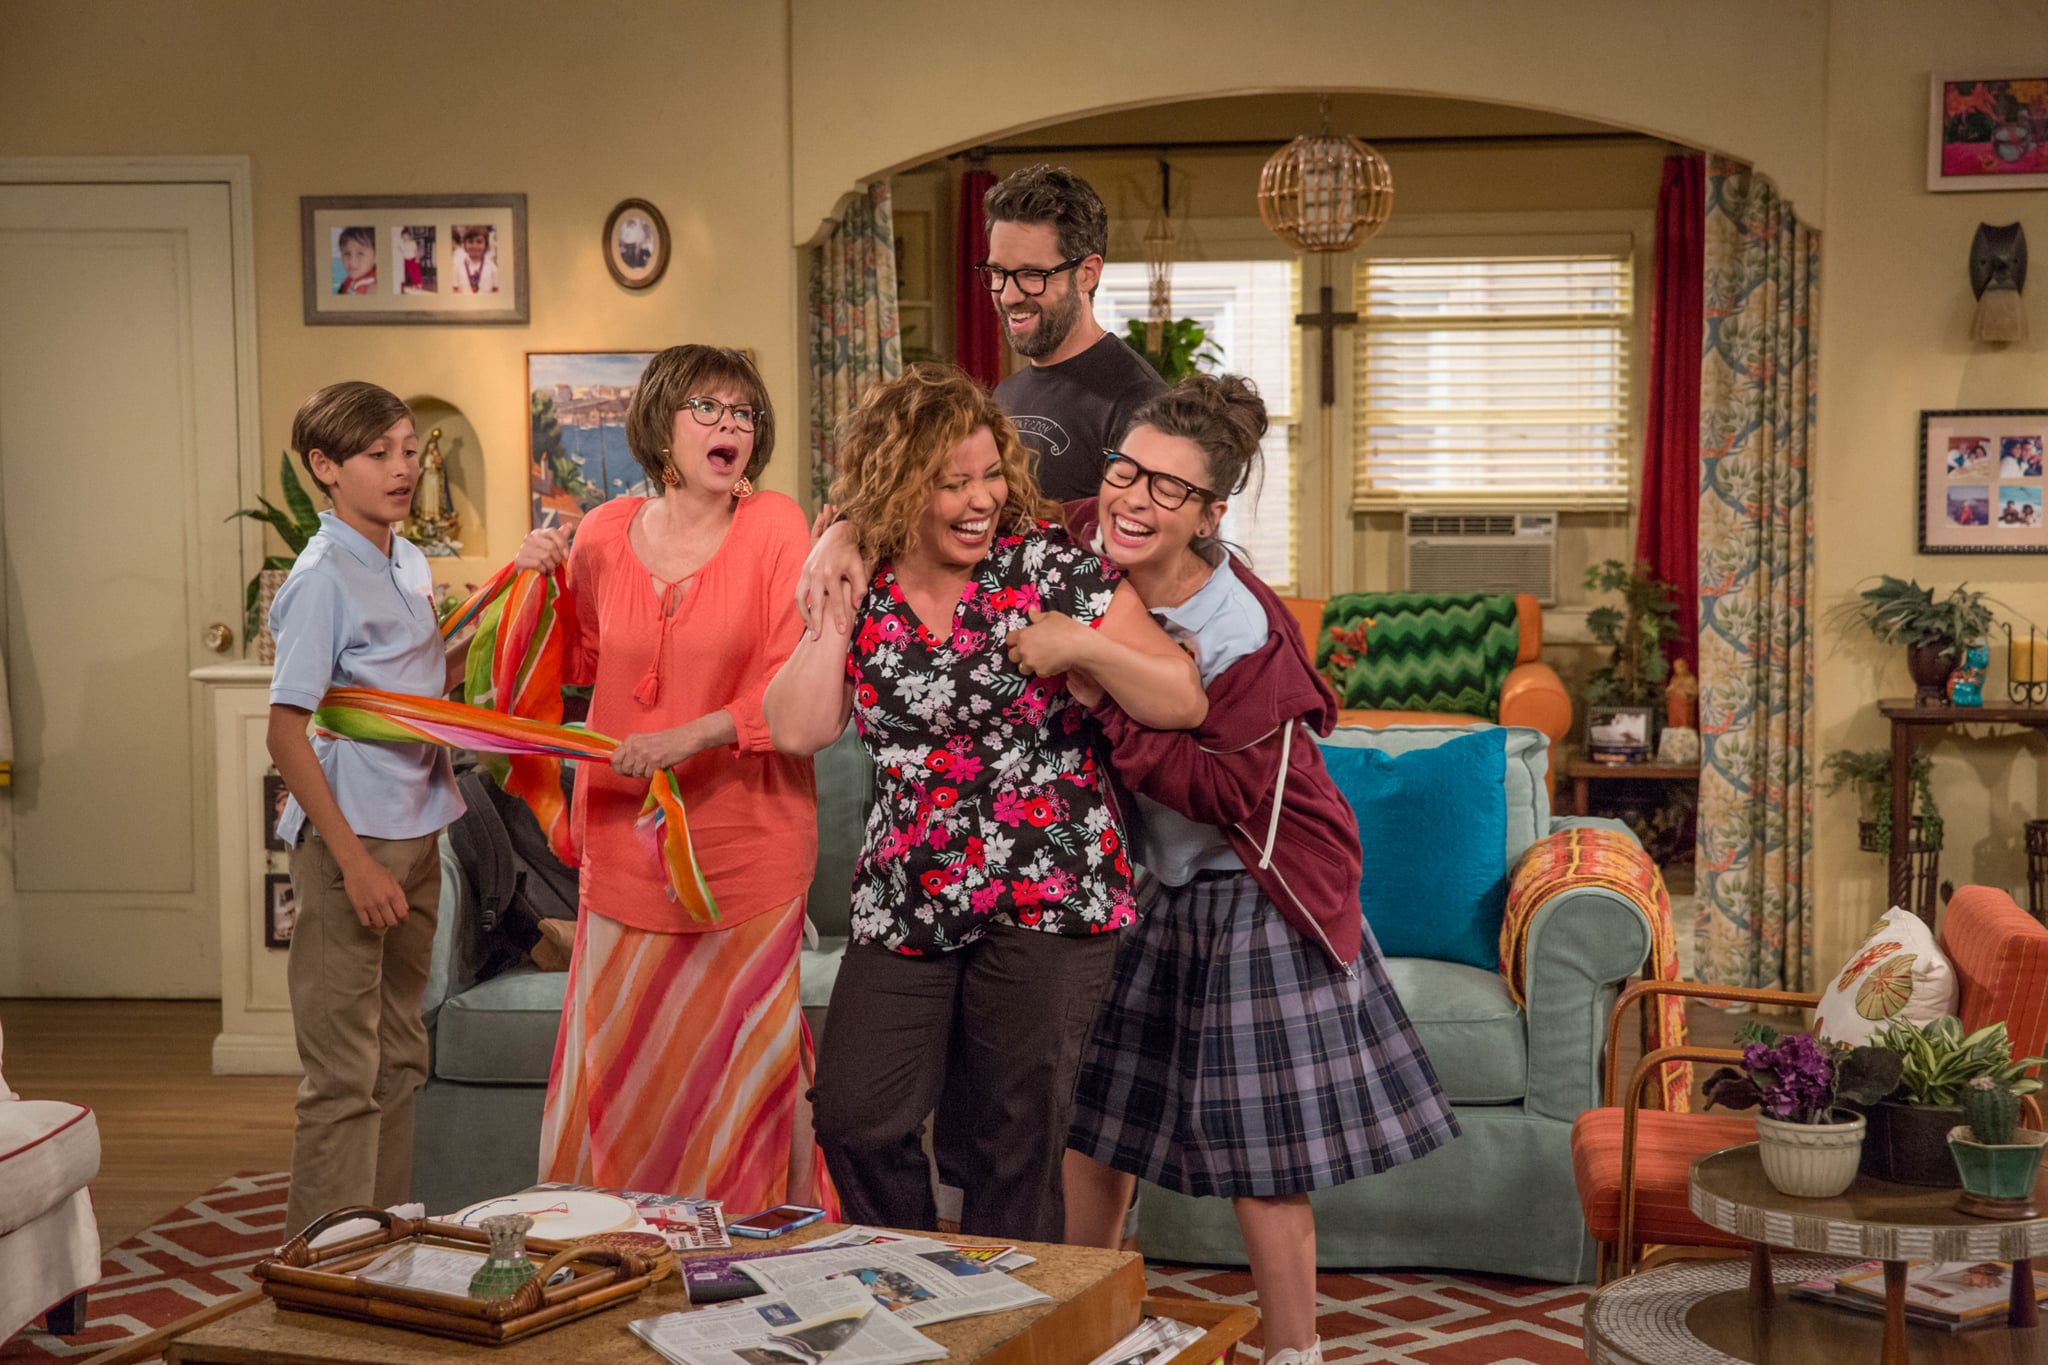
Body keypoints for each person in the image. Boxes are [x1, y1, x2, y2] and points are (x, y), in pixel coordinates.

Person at [1010, 375, 1458, 1365]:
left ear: (1211, 515)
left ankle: (1293, 1354)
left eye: (1168, 489)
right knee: (1096, 1123)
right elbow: (984, 504)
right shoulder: (1091, 532)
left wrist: (1088, 673)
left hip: (1258, 881)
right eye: (1126, 471)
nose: (1132, 499)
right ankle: (1085, 1324)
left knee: (1264, 1156)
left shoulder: (1242, 634)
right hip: (1149, 886)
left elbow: (1213, 788)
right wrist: (836, 538)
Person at [764, 363, 1207, 1241]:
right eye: (950, 481)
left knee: (1016, 1140)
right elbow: (798, 728)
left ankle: (1014, 1330)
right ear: (896, 484)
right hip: (909, 894)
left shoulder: (1045, 566)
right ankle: (918, 1276)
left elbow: (1180, 696)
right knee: (855, 1115)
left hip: (1051, 890)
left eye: (989, 474)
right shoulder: (864, 579)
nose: (978, 499)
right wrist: (834, 616)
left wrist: (1079, 645)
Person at [514, 345, 829, 1213]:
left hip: (748, 851)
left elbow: (787, 679)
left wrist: (678, 740)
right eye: (709, 409)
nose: (733, 426)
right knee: (618, 1068)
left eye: (745, 414)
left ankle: (750, 1247)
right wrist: (536, 578)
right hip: (621, 848)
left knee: (747, 1073)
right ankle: (619, 1245)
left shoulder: (775, 524)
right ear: (662, 424)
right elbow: (575, 658)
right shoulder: (606, 533)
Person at [266, 381, 472, 1233]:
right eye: (378, 454)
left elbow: (424, 686)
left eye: (408, 450)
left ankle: (377, 1248)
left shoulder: (407, 559)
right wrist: (352, 866)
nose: (403, 469)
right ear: (325, 467)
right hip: (355, 847)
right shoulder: (321, 579)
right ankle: (319, 1278)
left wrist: (518, 599)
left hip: (420, 832)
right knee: (345, 1076)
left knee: (399, 1059)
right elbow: (286, 733)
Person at [982, 164, 1165, 502]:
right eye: (997, 272)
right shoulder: (1006, 394)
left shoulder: (1139, 400)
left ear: (1087, 274)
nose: (1008, 296)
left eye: (1031, 274)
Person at [451, 224, 498, 294]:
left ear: (486, 245)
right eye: (470, 241)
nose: (474, 246)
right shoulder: (457, 266)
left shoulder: (492, 267)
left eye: (479, 242)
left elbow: (496, 289)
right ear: (464, 245)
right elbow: (454, 288)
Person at [335, 226, 376, 295]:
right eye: (347, 254)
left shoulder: (373, 288)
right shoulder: (348, 283)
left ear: (376, 257)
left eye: (360, 253)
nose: (352, 262)